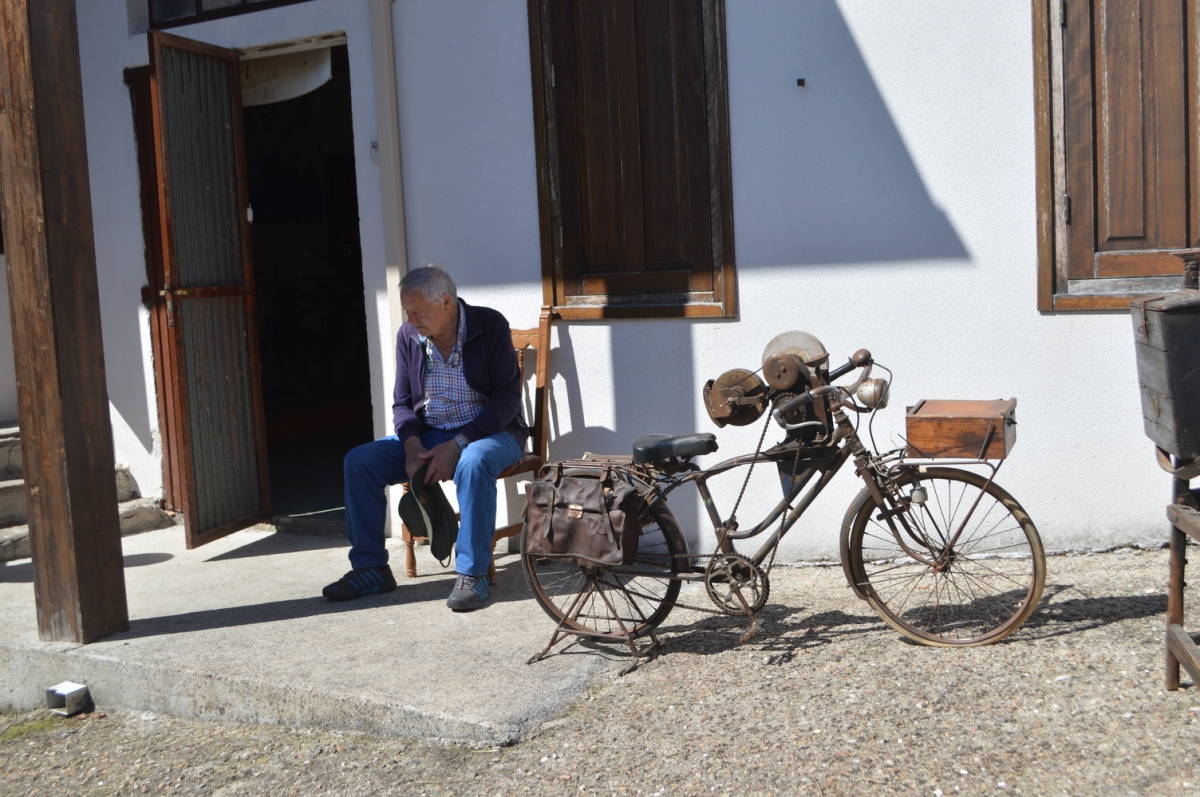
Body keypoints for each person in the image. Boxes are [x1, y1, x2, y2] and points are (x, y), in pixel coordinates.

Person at [323, 265, 524, 611]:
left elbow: (507, 400)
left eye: (418, 311)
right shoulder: (408, 336)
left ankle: (472, 575)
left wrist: (457, 444)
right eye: (407, 311)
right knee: (359, 461)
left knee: (474, 462)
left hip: (492, 433)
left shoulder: (489, 325)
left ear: (446, 302)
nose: (411, 319)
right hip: (429, 434)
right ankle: (370, 568)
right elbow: (402, 403)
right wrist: (412, 446)